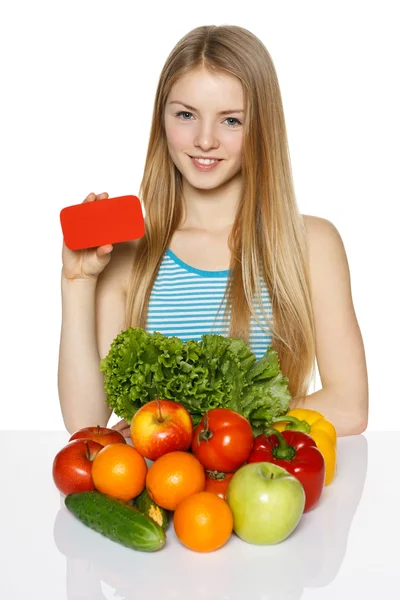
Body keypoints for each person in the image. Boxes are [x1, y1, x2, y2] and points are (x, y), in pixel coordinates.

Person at [58, 25, 368, 439]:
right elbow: (87, 426)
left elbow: (349, 407)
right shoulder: (132, 254)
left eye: (231, 120)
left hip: (266, 491)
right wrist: (77, 283)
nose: (205, 140)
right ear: (161, 119)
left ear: (262, 128)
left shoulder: (310, 244)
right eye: (186, 115)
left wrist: (195, 429)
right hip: (167, 495)